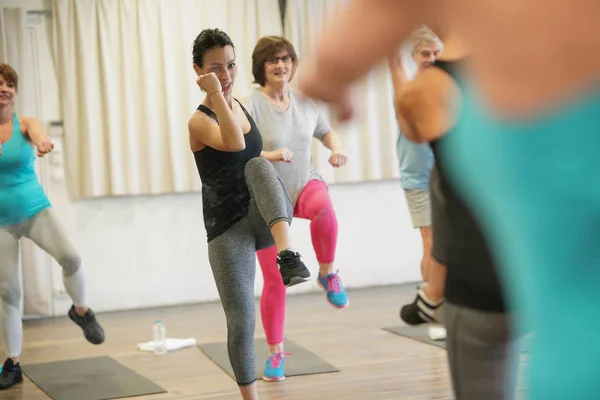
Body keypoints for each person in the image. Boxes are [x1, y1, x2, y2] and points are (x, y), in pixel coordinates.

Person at [299, 1, 600, 398]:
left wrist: (340, 79)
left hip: (492, 294)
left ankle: (431, 295)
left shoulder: (437, 87)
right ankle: (432, 294)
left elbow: (340, 58)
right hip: (508, 273)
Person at [188, 29, 311, 400]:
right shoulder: (198, 121)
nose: (225, 75)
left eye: (230, 65)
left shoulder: (240, 105)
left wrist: (277, 155)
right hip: (226, 229)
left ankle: (287, 255)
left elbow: (247, 156)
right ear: (198, 71)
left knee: (258, 165)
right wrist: (214, 93)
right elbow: (234, 143)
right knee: (241, 320)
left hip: (263, 214)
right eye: (215, 69)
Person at [247, 35, 349, 382]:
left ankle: (327, 272)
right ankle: (276, 354)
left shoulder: (305, 102)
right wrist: (272, 155)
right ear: (261, 66)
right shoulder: (250, 106)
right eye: (273, 60)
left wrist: (336, 148)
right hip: (268, 198)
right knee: (275, 279)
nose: (281, 66)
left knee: (325, 209)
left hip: (304, 184)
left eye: (287, 59)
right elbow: (240, 154)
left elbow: (327, 132)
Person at [0, 63, 105, 390]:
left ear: (15, 90)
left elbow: (38, 135)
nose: (4, 89)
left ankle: (81, 310)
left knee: (71, 256)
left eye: (8, 84)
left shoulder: (26, 123)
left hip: (34, 209)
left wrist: (43, 143)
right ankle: (13, 363)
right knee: (7, 291)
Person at [388, 28, 446, 326]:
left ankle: (437, 299)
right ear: (414, 57)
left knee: (444, 244)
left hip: (445, 178)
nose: (432, 59)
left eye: (437, 53)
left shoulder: (446, 87)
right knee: (432, 243)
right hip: (418, 180)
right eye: (426, 53)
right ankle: (432, 306)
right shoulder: (407, 88)